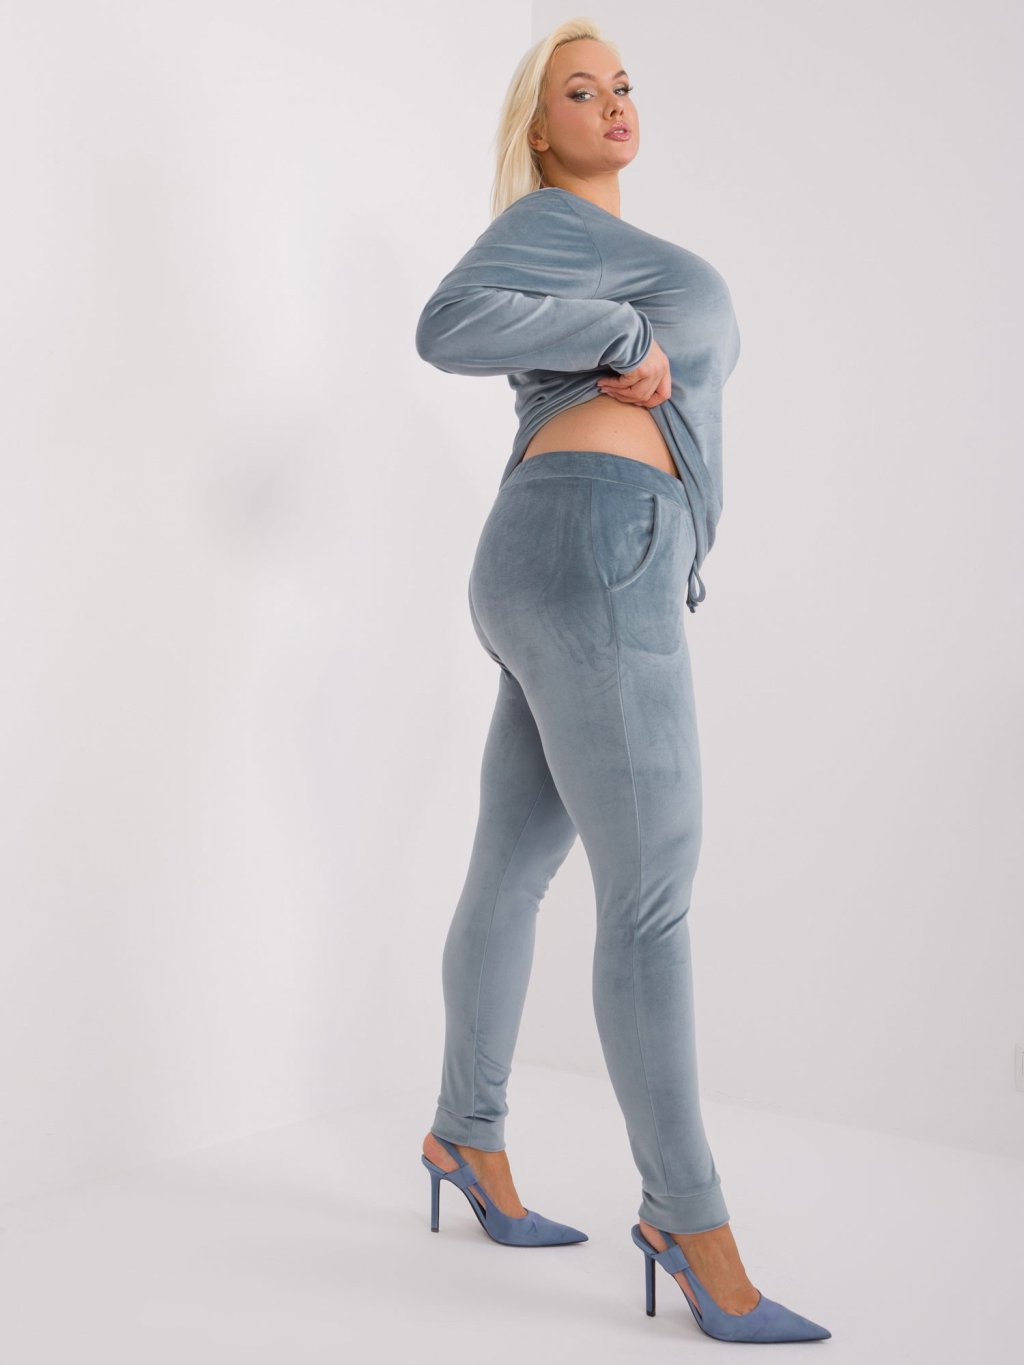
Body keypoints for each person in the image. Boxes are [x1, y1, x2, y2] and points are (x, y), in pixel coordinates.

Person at [414, 19, 831, 1345]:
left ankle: (466, 1134)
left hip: (551, 552)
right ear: (539, 132)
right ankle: (692, 1225)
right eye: (579, 91)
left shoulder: (591, 238)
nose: (611, 105)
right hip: (599, 546)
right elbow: (444, 326)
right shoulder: (552, 228)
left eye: (621, 86)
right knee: (650, 900)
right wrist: (614, 331)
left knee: (512, 870)